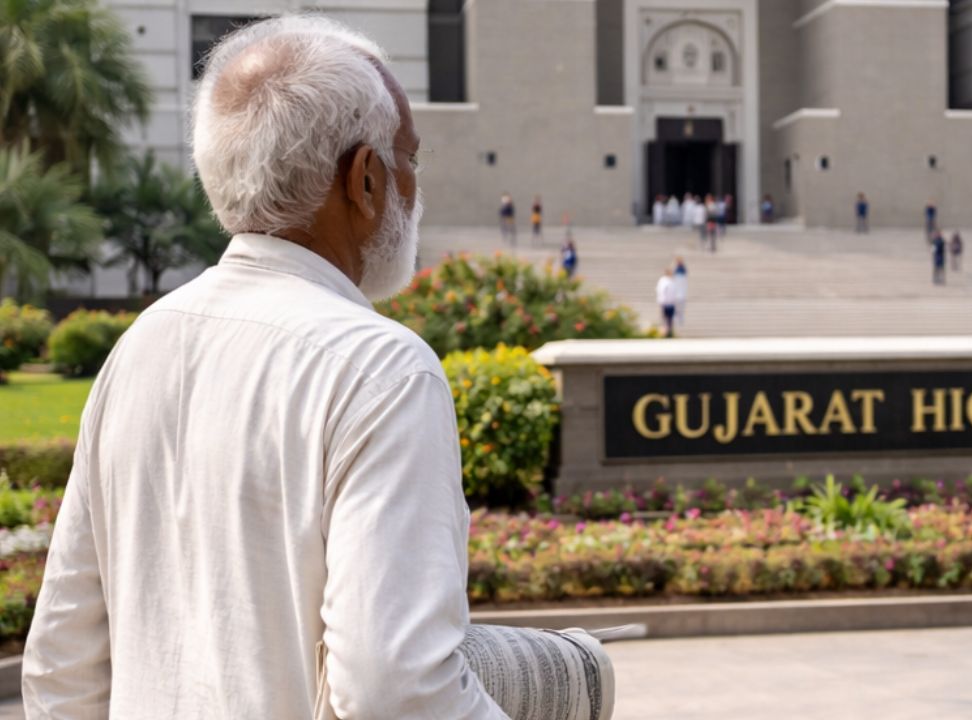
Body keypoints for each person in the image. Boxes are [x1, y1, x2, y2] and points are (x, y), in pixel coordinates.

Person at [21, 16, 613, 720]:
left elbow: (61, 668)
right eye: (409, 162)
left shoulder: (139, 347)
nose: (414, 191)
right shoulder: (381, 370)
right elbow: (397, 691)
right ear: (364, 180)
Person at [656, 267, 678, 337]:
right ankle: (664, 333)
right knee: (665, 319)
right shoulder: (664, 281)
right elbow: (662, 291)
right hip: (665, 303)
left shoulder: (671, 281)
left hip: (671, 303)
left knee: (670, 319)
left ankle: (669, 333)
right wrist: (662, 300)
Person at [673, 256, 689, 326]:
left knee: (681, 307)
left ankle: (680, 319)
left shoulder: (682, 270)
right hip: (678, 294)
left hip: (681, 293)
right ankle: (678, 319)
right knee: (678, 307)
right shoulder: (677, 271)